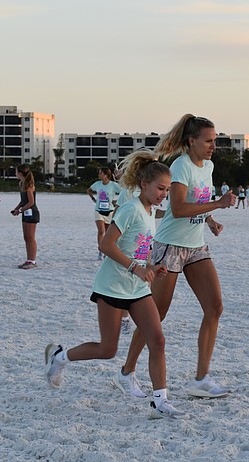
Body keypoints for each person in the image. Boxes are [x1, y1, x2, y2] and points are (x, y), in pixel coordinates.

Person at [43, 151, 185, 419]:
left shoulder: (149, 212)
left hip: (137, 288)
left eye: (167, 190)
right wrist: (136, 268)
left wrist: (151, 267)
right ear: (144, 184)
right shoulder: (130, 209)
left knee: (158, 339)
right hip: (111, 287)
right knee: (107, 349)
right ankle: (60, 357)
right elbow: (106, 245)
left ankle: (160, 402)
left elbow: (139, 251)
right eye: (160, 188)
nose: (164, 195)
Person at [118, 114, 237, 400]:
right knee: (156, 315)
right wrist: (218, 204)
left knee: (215, 307)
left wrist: (210, 220)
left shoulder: (208, 166)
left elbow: (198, 202)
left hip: (196, 246)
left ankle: (201, 379)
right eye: (208, 141)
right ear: (191, 141)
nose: (213, 146)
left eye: (215, 141)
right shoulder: (181, 166)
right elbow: (180, 208)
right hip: (170, 245)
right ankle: (126, 372)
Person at [87, 166, 121, 260]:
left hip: (109, 211)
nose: (99, 174)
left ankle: (107, 251)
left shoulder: (113, 185)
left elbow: (123, 193)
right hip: (98, 210)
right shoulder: (97, 184)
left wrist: (116, 201)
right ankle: (101, 250)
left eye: (100, 173)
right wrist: (93, 199)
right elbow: (89, 190)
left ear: (106, 175)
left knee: (107, 233)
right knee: (101, 231)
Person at [11, 164, 40, 268]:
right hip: (26, 212)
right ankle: (29, 259)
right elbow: (23, 201)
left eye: (16, 172)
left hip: (32, 212)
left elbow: (31, 202)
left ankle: (32, 261)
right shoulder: (22, 184)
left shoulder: (29, 185)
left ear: (20, 173)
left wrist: (20, 210)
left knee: (31, 237)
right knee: (26, 237)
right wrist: (17, 208)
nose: (15, 173)